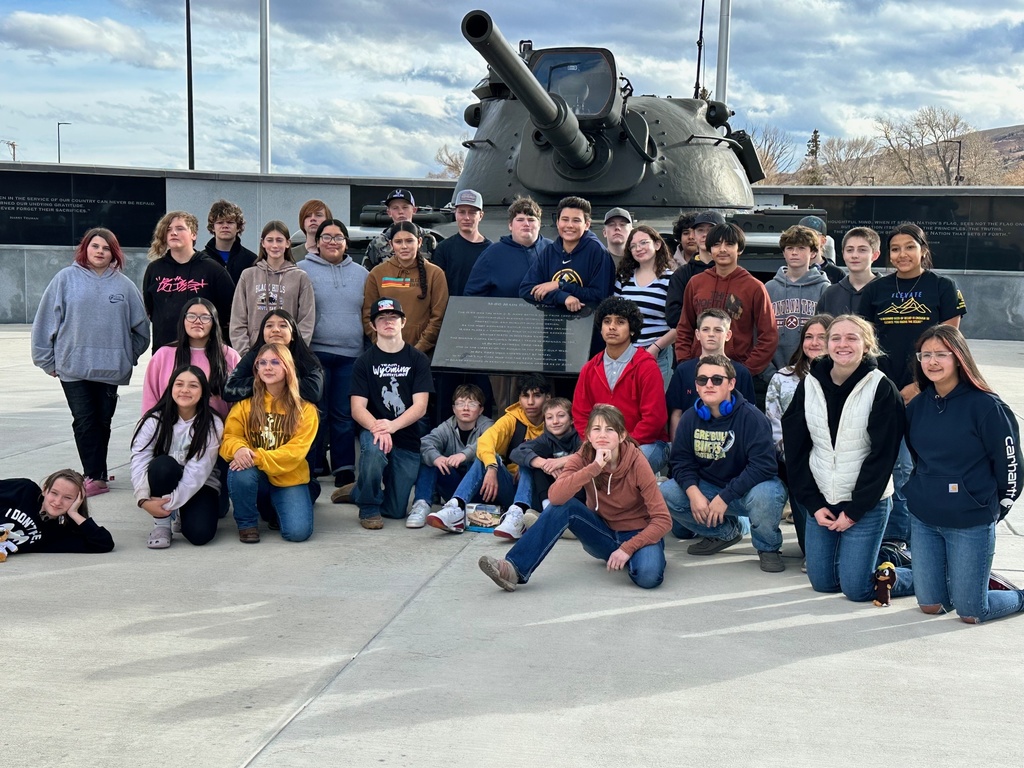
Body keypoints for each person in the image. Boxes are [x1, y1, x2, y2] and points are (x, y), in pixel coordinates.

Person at [782, 315, 911, 601]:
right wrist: (813, 505)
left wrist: (854, 511)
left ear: (866, 345)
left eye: (852, 338)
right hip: (822, 500)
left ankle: (917, 573)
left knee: (856, 589)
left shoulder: (881, 388)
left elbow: (883, 457)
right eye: (835, 338)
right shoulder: (809, 384)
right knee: (823, 583)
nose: (843, 344)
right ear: (826, 345)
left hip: (866, 503)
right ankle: (862, 562)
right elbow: (796, 449)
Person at [478, 404, 672, 591]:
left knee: (648, 577)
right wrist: (594, 468)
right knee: (563, 507)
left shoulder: (637, 462)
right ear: (588, 435)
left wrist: (628, 548)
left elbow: (663, 520)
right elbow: (555, 497)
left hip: (637, 532)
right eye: (596, 429)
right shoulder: (584, 456)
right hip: (602, 533)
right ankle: (514, 568)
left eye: (610, 429)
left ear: (622, 436)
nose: (602, 435)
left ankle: (637, 557)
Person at [904, 325, 1023, 623]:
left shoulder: (987, 407)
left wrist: (998, 507)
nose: (932, 361)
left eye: (941, 354)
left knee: (971, 611)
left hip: (971, 520)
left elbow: (1011, 466)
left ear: (958, 357)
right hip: (925, 519)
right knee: (931, 606)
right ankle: (967, 580)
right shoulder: (917, 406)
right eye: (926, 354)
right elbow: (919, 459)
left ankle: (1018, 595)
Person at [860, 223, 967, 549]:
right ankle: (889, 534)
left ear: (923, 249)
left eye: (909, 247)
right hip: (884, 391)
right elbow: (865, 344)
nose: (902, 254)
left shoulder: (943, 287)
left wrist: (918, 386)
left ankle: (909, 535)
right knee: (890, 463)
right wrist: (887, 390)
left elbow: (949, 347)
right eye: (895, 249)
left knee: (916, 465)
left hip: (930, 391)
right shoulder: (874, 291)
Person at [31, 227, 150, 497]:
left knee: (102, 421)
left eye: (106, 248)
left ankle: (96, 469)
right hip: (73, 368)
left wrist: (125, 354)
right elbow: (45, 322)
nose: (100, 251)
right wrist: (47, 360)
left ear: (114, 254)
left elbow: (141, 330)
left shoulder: (124, 286)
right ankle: (94, 476)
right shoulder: (65, 280)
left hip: (110, 369)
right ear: (85, 249)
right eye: (95, 246)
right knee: (84, 421)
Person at [660, 354, 788, 572]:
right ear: (697, 386)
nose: (709, 384)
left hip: (747, 491)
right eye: (703, 380)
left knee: (768, 494)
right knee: (666, 492)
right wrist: (694, 493)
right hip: (709, 488)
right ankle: (726, 533)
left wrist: (725, 497)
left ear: (731, 383)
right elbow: (681, 462)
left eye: (717, 379)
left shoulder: (752, 418)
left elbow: (764, 466)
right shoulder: (690, 418)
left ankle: (768, 548)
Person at [427, 374, 550, 535]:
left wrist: (532, 462)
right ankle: (456, 506)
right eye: (525, 396)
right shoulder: (512, 419)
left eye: (537, 396)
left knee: (526, 461)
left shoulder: (553, 421)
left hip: (540, 493)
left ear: (547, 398)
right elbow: (485, 441)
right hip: (511, 490)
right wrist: (492, 467)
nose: (531, 402)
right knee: (485, 456)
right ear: (519, 399)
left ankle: (520, 515)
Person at [221, 343, 319, 543]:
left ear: (288, 368)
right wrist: (239, 449)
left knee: (297, 533)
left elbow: (296, 452)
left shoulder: (305, 409)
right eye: (262, 363)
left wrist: (254, 456)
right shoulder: (246, 404)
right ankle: (247, 524)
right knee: (240, 471)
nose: (268, 367)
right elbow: (229, 436)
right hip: (257, 477)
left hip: (289, 477)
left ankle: (277, 506)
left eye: (275, 362)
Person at [349, 298, 433, 529]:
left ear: (403, 322)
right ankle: (368, 507)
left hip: (405, 434)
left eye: (393, 317)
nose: (388, 322)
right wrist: (379, 428)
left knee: (396, 511)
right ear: (374, 326)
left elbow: (420, 406)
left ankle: (359, 489)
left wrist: (392, 426)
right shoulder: (364, 362)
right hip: (373, 430)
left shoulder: (418, 359)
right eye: (382, 318)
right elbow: (357, 408)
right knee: (374, 452)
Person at [298, 219, 369, 489]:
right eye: (326, 237)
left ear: (346, 242)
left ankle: (344, 467)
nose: (332, 242)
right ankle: (314, 464)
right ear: (316, 242)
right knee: (317, 413)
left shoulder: (361, 273)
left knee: (344, 413)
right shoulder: (302, 270)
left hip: (351, 354)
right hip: (315, 352)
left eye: (338, 237)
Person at [675, 223, 778, 390]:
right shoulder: (696, 283)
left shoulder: (755, 287)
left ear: (740, 249)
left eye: (729, 244)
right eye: (716, 244)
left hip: (735, 376)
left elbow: (769, 336)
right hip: (698, 375)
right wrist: (686, 363)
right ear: (709, 250)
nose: (722, 249)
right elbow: (685, 327)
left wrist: (745, 370)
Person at [573, 297, 669, 473]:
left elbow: (654, 419)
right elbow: (580, 414)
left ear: (632, 329)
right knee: (573, 465)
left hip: (647, 444)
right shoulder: (589, 368)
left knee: (621, 466)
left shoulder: (647, 366)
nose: (612, 327)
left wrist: (620, 448)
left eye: (620, 322)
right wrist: (594, 444)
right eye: (607, 321)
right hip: (599, 444)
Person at [132, 365, 224, 548]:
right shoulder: (154, 420)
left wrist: (171, 503)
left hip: (201, 484)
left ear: (203, 391)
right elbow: (139, 459)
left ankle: (181, 512)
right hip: (164, 479)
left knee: (200, 535)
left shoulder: (212, 424)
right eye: (179, 384)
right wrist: (142, 499)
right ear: (171, 388)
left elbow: (199, 470)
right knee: (162, 465)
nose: (185, 390)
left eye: (193, 385)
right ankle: (162, 525)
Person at [765, 314, 832, 555]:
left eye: (821, 337)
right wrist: (796, 455)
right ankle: (812, 551)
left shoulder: (843, 378)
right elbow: (773, 423)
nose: (814, 343)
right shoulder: (782, 378)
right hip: (794, 460)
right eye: (809, 337)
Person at [142, 211, 235, 351]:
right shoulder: (154, 269)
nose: (173, 233)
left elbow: (229, 311)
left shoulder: (214, 270)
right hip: (164, 351)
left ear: (193, 234)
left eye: (180, 228)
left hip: (204, 351)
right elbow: (150, 309)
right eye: (169, 229)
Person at [407, 384, 493, 528]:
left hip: (481, 492)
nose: (465, 408)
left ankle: (458, 509)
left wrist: (463, 455)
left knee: (480, 458)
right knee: (431, 460)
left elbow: (487, 443)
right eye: (460, 404)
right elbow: (425, 443)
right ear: (454, 408)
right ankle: (421, 505)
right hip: (453, 489)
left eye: (472, 404)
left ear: (481, 409)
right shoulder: (447, 426)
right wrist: (436, 457)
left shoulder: (488, 425)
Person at [143, 299, 240, 421]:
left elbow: (240, 403)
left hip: (218, 433)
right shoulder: (163, 355)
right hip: (169, 431)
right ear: (183, 320)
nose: (197, 321)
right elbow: (150, 399)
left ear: (214, 322)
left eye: (205, 317)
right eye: (191, 316)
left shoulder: (229, 355)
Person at [668, 309, 757, 441]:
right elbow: (676, 414)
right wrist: (676, 451)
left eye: (718, 330)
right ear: (697, 334)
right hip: (689, 446)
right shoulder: (683, 371)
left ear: (728, 335)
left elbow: (750, 416)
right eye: (705, 329)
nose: (711, 334)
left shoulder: (741, 373)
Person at [362, 221, 449, 355]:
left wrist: (417, 350)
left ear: (419, 242)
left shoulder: (435, 274)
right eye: (398, 242)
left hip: (423, 354)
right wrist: (383, 345)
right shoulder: (377, 273)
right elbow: (368, 315)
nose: (404, 246)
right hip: (384, 353)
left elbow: (438, 317)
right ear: (391, 245)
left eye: (409, 241)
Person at [230, 220, 316, 355]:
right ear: (263, 243)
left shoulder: (300, 277)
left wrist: (295, 352)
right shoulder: (248, 275)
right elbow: (238, 319)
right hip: (253, 352)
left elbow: (306, 320)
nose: (275, 245)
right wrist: (245, 353)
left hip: (288, 354)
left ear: (287, 243)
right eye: (270, 240)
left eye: (279, 240)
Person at [519, 195, 614, 314]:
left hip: (586, 326)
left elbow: (600, 295)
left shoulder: (598, 252)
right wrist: (562, 297)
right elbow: (526, 289)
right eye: (565, 219)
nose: (569, 225)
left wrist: (560, 285)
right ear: (558, 222)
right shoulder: (550, 251)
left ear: (587, 225)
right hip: (553, 324)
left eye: (576, 220)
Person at [615, 225, 676, 385]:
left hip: (657, 355)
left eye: (643, 243)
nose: (638, 249)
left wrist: (655, 348)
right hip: (626, 354)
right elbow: (613, 315)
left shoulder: (671, 279)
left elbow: (681, 323)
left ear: (657, 244)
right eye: (633, 246)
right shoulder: (624, 278)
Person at [0, 470, 114, 555]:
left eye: (68, 498)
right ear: (45, 490)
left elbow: (104, 543)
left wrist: (74, 513)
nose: (58, 502)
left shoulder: (61, 532)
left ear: (77, 501)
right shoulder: (24, 490)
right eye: (54, 493)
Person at [223, 309, 324, 406]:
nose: (275, 330)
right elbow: (229, 390)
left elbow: (314, 391)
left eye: (283, 325)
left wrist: (280, 380)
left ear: (293, 334)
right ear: (263, 333)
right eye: (269, 325)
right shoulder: (253, 357)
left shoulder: (305, 357)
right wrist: (265, 380)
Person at [766, 225, 830, 373]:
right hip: (775, 373)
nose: (794, 253)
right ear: (783, 252)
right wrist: (769, 373)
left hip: (814, 372)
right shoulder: (769, 288)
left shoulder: (824, 288)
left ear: (813, 252)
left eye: (801, 248)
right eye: (789, 248)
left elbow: (830, 334)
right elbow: (759, 334)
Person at [509, 397, 582, 520]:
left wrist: (561, 462)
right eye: (549, 418)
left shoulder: (579, 437)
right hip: (549, 491)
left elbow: (591, 454)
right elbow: (517, 452)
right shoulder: (545, 439)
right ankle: (547, 508)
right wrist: (545, 463)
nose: (555, 421)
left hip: (576, 492)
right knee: (535, 454)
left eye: (561, 416)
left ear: (571, 420)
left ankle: (573, 515)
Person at [465, 196, 552, 298]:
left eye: (531, 220)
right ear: (510, 225)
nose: (526, 224)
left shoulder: (553, 251)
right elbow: (471, 295)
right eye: (520, 220)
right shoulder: (492, 254)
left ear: (539, 224)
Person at [665, 210, 726, 329]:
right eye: (700, 230)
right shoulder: (682, 274)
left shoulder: (732, 272)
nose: (704, 234)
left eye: (710, 230)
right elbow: (673, 316)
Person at [432, 189, 491, 298]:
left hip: (481, 310)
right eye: (462, 212)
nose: (466, 217)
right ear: (455, 213)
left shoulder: (491, 250)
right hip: (451, 310)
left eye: (472, 212)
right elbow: (437, 287)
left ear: (481, 215)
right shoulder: (444, 248)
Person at [363, 189, 438, 268]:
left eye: (405, 207)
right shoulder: (378, 243)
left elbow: (436, 273)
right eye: (395, 208)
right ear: (389, 212)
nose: (401, 212)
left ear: (414, 210)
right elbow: (367, 275)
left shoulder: (428, 240)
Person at [817, 227, 882, 316]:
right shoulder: (830, 294)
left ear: (875, 255)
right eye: (850, 250)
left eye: (862, 250)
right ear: (843, 254)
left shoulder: (886, 291)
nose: (854, 255)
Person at [202, 199, 256, 284]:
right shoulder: (201, 260)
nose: (225, 226)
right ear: (213, 227)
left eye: (230, 222)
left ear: (238, 227)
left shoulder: (251, 260)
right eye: (220, 222)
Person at [798, 215, 843, 283]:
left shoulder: (837, 274)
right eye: (802, 236)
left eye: (811, 236)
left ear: (823, 241)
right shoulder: (792, 269)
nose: (806, 240)